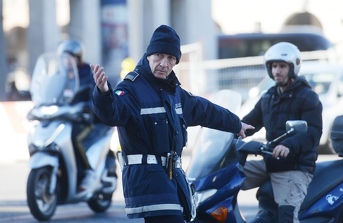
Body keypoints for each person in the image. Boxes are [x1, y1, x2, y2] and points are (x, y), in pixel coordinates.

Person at [90, 24, 254, 223]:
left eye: (170, 59)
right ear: (149, 55)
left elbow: (204, 110)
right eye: (159, 56)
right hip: (148, 180)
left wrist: (236, 124)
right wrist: (104, 93)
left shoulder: (173, 91)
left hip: (171, 178)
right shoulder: (131, 88)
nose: (164, 64)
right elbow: (112, 113)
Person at [241, 42, 323, 222]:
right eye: (274, 66)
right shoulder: (269, 96)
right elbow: (249, 123)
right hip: (270, 161)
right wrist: (229, 129)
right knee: (226, 176)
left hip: (295, 166)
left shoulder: (307, 97)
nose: (277, 71)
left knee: (287, 217)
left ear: (293, 67)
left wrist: (288, 145)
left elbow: (313, 133)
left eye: (282, 66)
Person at [57, 39, 100, 191]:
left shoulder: (89, 73)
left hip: (84, 119)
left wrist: (88, 105)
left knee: (74, 139)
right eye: (64, 58)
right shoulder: (60, 75)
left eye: (70, 58)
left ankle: (89, 172)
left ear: (78, 58)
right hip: (64, 118)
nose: (67, 61)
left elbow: (96, 94)